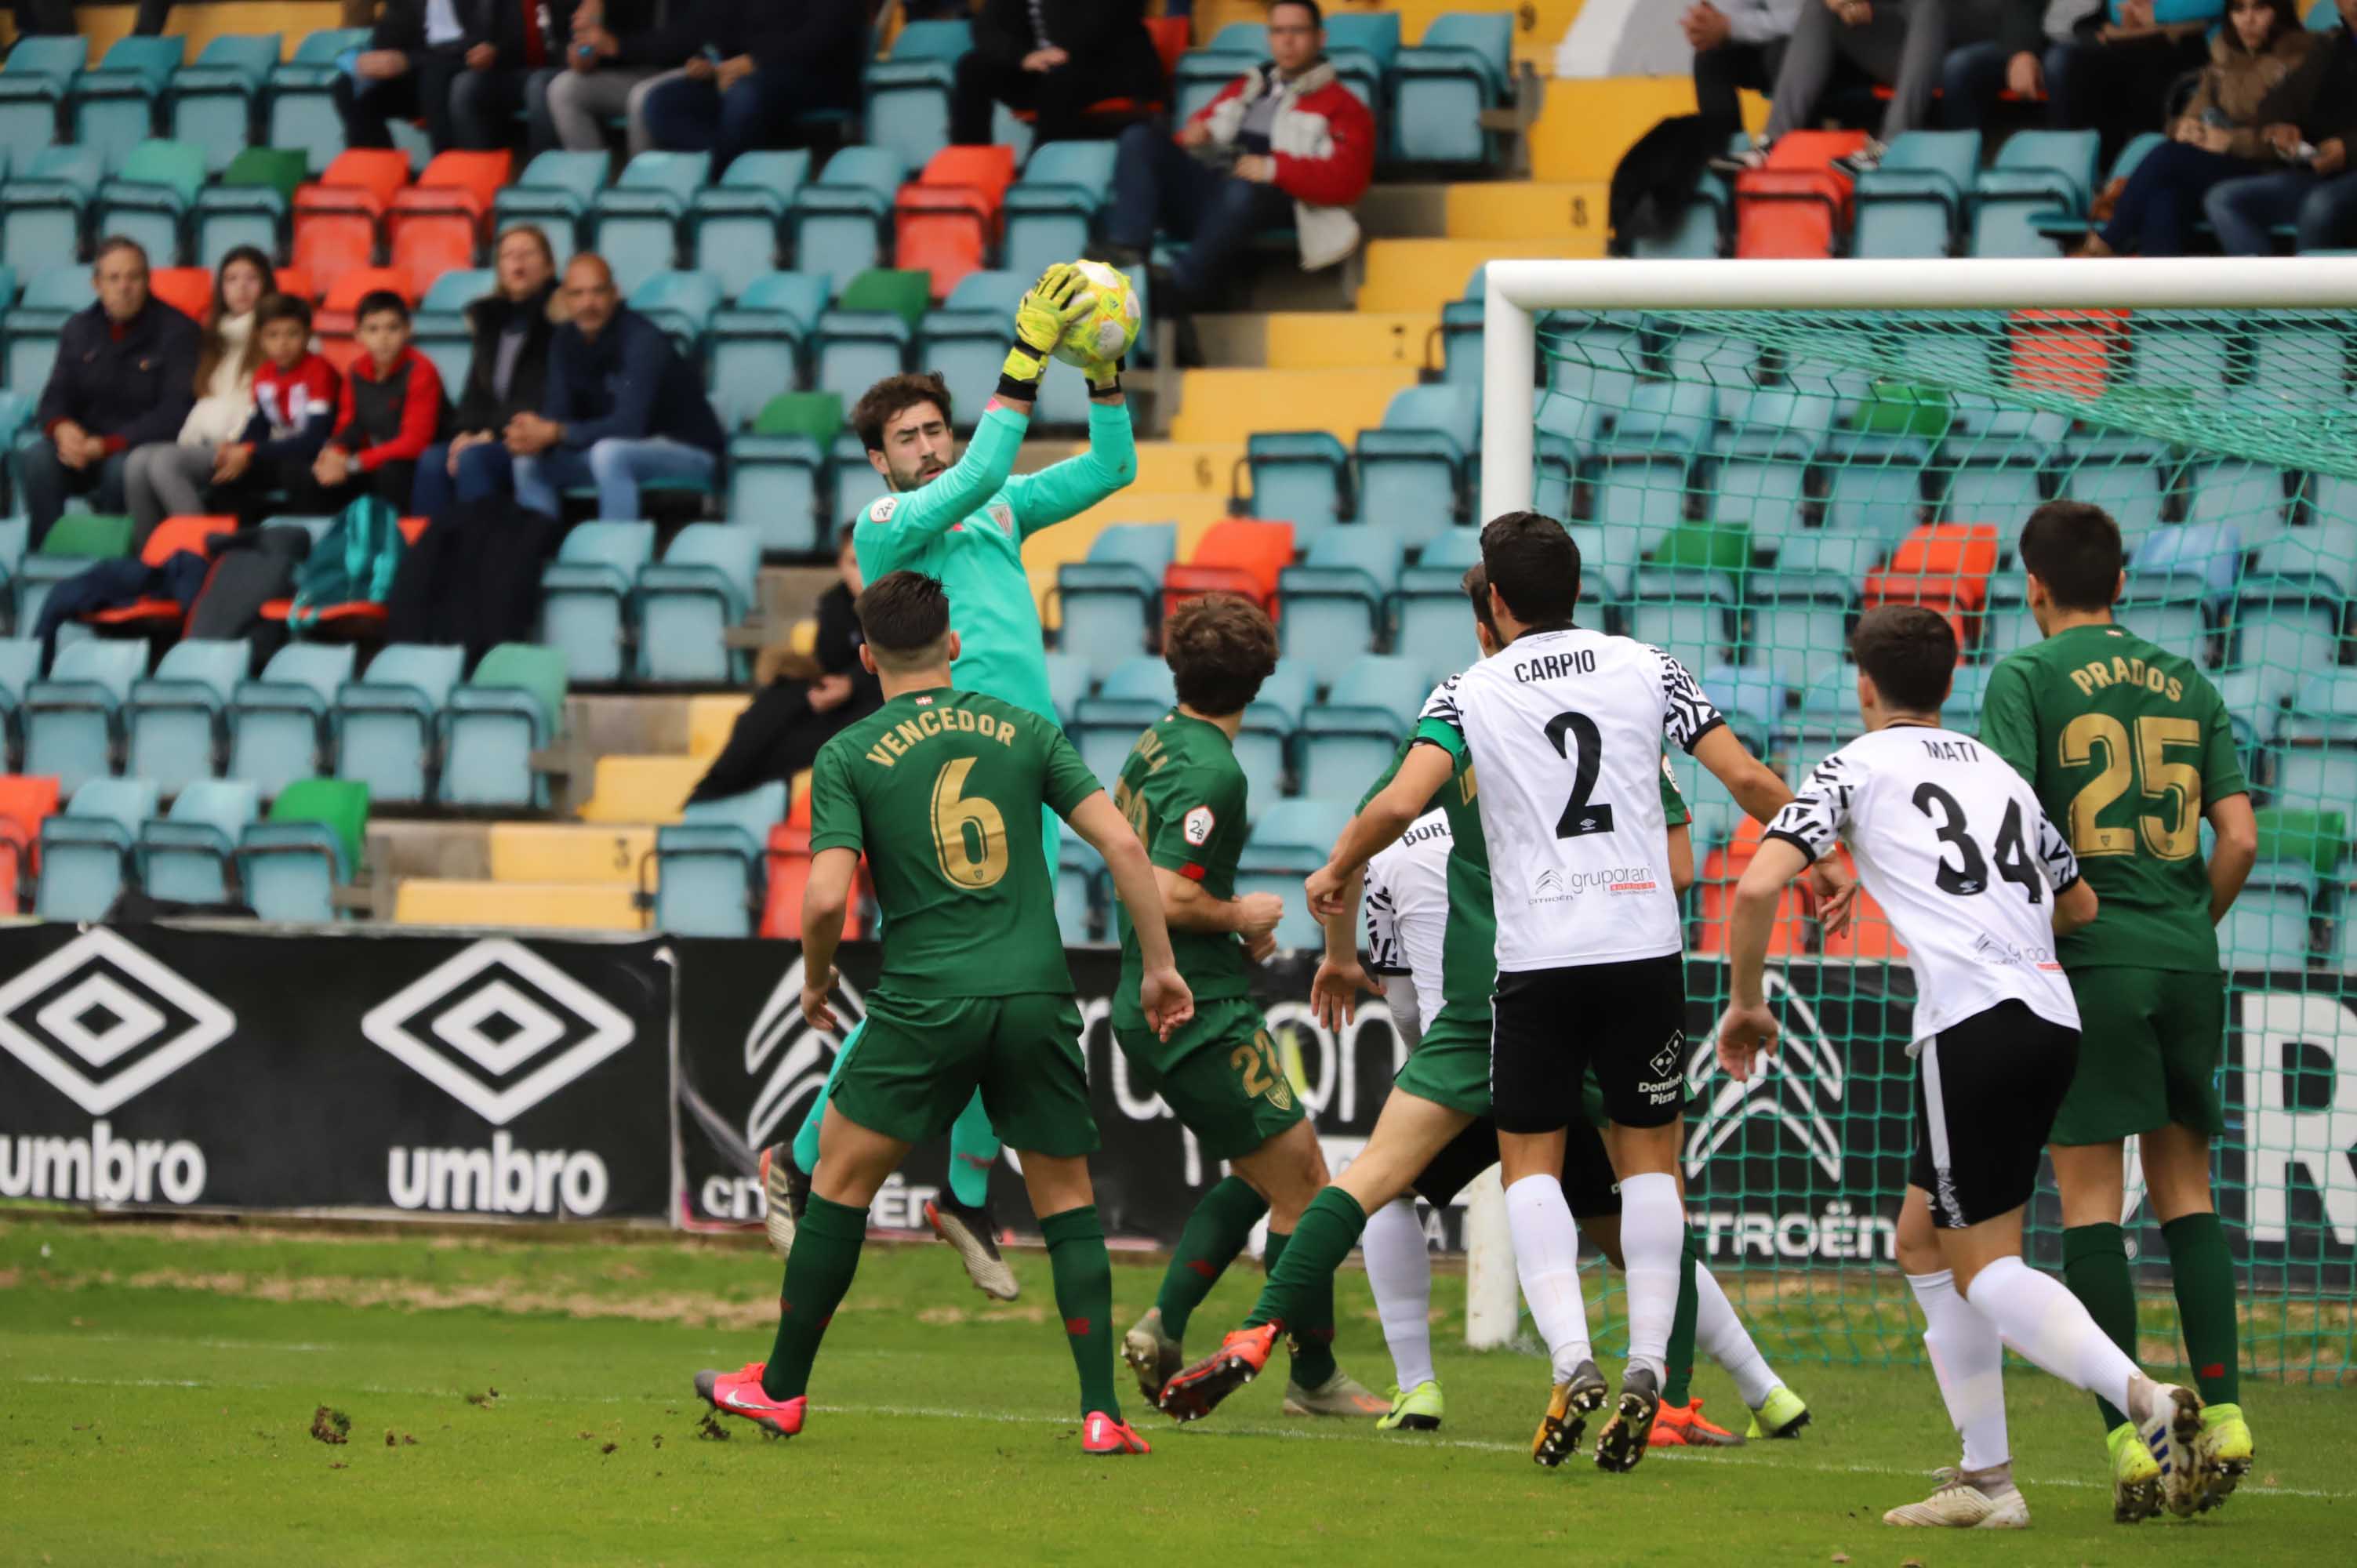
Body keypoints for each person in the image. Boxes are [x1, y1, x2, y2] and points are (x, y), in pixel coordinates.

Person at [1157, 531, 1850, 1470]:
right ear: (1576, 587)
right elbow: (1750, 780)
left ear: (1491, 608)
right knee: (1650, 1179)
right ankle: (1659, 1370)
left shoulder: (1467, 697)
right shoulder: (1647, 667)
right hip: (1644, 954)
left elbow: (1400, 803)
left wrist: (1338, 866)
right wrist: (1821, 855)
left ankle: (1535, 1358)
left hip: (1523, 976)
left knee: (1480, 1174)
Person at [1716, 605, 2212, 1527]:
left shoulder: (1853, 766)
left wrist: (1747, 1003)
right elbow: (2082, 902)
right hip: (2048, 1015)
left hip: (1972, 1022)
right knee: (1922, 1236)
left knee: (1984, 1265)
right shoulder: (2002, 774)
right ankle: (1988, 1481)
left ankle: (2147, 1400)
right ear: (1948, 683)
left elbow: (1753, 884)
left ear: (1865, 685)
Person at [692, 568, 1192, 1457]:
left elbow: (822, 900)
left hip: (924, 998)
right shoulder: (1027, 729)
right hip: (1034, 994)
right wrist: (1158, 966)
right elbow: (1121, 842)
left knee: (839, 1181)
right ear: (954, 645)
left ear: (866, 655)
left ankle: (779, 1388)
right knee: (1066, 1200)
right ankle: (1102, 1411)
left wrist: (816, 977)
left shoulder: (849, 751)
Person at [754, 267, 1133, 1299]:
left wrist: (1100, 373)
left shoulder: (996, 504)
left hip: (1025, 762)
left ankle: (964, 1194)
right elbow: (969, 482)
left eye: (936, 430)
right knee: (941, 985)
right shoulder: (885, 528)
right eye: (908, 438)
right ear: (880, 462)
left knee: (1006, 982)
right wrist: (1023, 365)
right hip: (935, 766)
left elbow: (1111, 470)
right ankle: (796, 1158)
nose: (928, 447)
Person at [1346, 772, 1810, 1448]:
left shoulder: (1393, 845)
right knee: (1640, 1229)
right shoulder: (1558, 808)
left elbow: (1403, 1001)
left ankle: (1419, 1383)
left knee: (1386, 1191)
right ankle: (1764, 1390)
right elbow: (1678, 864)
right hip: (1573, 1038)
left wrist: (1433, 1077)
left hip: (1464, 1055)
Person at [1977, 502, 2258, 1518]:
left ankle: (2127, 1441)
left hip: (2089, 956)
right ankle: (2223, 1415)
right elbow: (2237, 837)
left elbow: (2008, 817)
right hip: (2186, 958)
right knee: (2186, 1189)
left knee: (2089, 1202)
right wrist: (2188, 922)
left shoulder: (2024, 676)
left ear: (2032, 586)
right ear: (2124, 581)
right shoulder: (2189, 680)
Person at [1109, 593, 1389, 1422]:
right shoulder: (1214, 770)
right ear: (1263, 677)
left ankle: (1164, 1322)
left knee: (1262, 1173)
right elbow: (1162, 892)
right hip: (1196, 1008)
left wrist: (1229, 932)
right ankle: (1314, 1374)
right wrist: (1239, 916)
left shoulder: (1159, 738)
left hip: (1168, 992)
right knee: (1308, 1187)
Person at [1098, 1, 1375, 315]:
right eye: (1278, 31)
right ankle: (1128, 255)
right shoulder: (1247, 87)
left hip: (1282, 198)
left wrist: (1274, 169)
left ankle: (1180, 288)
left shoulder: (1344, 106)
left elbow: (1348, 181)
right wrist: (1198, 137)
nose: (1287, 40)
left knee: (1240, 190)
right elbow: (1197, 133)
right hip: (1219, 185)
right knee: (1140, 138)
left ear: (1320, 38)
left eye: (1297, 31)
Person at [2079, 0, 2324, 256]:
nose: (2248, 20)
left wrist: (2229, 141)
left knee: (2168, 157)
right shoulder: (2224, 55)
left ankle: (2107, 242)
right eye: (2239, 10)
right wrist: (2184, 128)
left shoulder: (2301, 56)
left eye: (2260, 8)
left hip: (2272, 167)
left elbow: (2292, 136)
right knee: (2165, 198)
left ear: (2280, 11)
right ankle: (2160, 292)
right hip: (2222, 163)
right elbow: (2193, 111)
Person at [504, 254, 723, 521]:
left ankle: (617, 552)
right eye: (578, 294)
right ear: (565, 299)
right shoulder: (564, 340)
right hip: (610, 449)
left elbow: (629, 427)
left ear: (615, 293)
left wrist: (556, 432)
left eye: (598, 292)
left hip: (689, 452)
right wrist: (532, 434)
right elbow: (558, 413)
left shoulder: (642, 341)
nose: (588, 303)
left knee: (610, 453)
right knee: (528, 463)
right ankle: (536, 551)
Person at [19, 238, 200, 547]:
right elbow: (54, 397)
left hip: (136, 447)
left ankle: (115, 554)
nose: (124, 287)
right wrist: (62, 428)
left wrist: (107, 445)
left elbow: (175, 413)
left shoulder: (178, 330)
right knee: (36, 458)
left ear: (147, 281)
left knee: (121, 470)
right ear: (96, 284)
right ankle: (45, 556)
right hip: (84, 447)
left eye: (134, 277)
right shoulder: (78, 328)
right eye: (113, 278)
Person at [688, 529, 884, 806]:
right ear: (840, 565)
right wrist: (836, 686)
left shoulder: (900, 601)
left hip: (880, 698)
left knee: (825, 734)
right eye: (854, 563)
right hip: (840, 696)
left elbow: (901, 658)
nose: (864, 572)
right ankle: (721, 782)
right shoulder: (834, 603)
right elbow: (830, 659)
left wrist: (852, 683)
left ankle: (739, 787)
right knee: (775, 703)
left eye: (871, 560)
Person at [1717, 0, 2011, 176]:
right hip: (1919, 48)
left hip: (1982, 36)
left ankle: (1891, 144)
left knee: (1929, 3)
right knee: (1820, 8)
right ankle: (1772, 142)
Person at [123, 246, 274, 545]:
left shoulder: (281, 334)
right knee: (137, 462)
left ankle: (203, 551)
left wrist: (245, 447)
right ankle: (152, 557)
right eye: (231, 279)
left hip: (253, 447)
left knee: (165, 462)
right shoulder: (210, 340)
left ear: (266, 285)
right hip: (208, 443)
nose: (241, 287)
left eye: (251, 278)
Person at [411, 227, 562, 521]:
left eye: (528, 253)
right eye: (508, 254)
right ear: (499, 268)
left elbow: (539, 393)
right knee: (432, 460)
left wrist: (487, 435)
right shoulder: (490, 322)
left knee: (474, 459)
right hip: (489, 434)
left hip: (535, 437)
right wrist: (464, 433)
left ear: (548, 266)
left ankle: (477, 552)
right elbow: (475, 392)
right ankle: (427, 555)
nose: (517, 260)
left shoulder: (559, 321)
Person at [637, 3, 870, 175]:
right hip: (748, 77)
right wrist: (708, 60)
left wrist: (756, 61)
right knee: (661, 103)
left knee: (743, 96)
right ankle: (735, 169)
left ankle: (720, 178)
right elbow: (724, 31)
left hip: (816, 76)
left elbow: (827, 36)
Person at [2206, 0, 2357, 252]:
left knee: (2320, 205)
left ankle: (2307, 291)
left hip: (2340, 177)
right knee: (2224, 198)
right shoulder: (2331, 45)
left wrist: (2347, 149)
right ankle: (2266, 291)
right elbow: (2280, 100)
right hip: (2325, 173)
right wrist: (2280, 125)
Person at [336, 0, 546, 154]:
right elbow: (389, 38)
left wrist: (409, 60)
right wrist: (373, 59)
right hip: (422, 68)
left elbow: (501, 39)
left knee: (434, 78)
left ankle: (447, 175)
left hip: (470, 62)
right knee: (350, 86)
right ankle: (377, 180)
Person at [951, 0, 1167, 147]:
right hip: (1051, 71)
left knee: (1059, 83)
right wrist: (1022, 57)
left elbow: (1093, 31)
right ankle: (969, 169)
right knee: (973, 68)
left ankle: (1042, 177)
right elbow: (986, 28)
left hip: (1113, 71)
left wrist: (1045, 57)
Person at [205, 294, 343, 522]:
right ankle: (240, 544)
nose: (283, 344)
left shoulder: (320, 371)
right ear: (260, 338)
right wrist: (234, 450)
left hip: (320, 457)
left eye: (293, 334)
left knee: (295, 474)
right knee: (224, 476)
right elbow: (257, 428)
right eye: (273, 335)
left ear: (308, 335)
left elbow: (315, 440)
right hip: (288, 454)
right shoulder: (263, 374)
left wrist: (250, 450)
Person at [307, 290, 445, 513]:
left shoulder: (422, 371)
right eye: (373, 329)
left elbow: (415, 442)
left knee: (391, 472)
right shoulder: (356, 372)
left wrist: (354, 463)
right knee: (313, 473)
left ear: (408, 330)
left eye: (393, 328)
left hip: (417, 463)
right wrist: (335, 453)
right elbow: (349, 426)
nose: (383, 338)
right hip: (376, 459)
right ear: (358, 335)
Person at [528, 0, 690, 157]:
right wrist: (584, 52)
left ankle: (643, 180)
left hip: (683, 73)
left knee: (643, 96)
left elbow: (684, 41)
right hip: (630, 76)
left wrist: (617, 46)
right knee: (564, 88)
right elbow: (574, 41)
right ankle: (588, 177)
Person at [1939, 0, 2093, 132]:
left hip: (2085, 39)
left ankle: (2067, 154)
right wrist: (2022, 52)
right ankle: (1963, 158)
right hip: (2030, 35)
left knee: (2058, 63)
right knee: (1959, 65)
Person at [1685, 0, 1803, 132]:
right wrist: (1706, 25)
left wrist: (1731, 25)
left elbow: (1805, 21)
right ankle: (1727, 145)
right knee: (1709, 54)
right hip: (1772, 55)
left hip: (1815, 57)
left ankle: (1797, 141)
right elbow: (1727, 19)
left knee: (1781, 51)